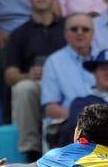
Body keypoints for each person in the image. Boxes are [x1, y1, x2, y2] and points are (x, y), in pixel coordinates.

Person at [4, 0, 65, 162]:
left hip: (64, 84)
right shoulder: (19, 34)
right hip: (37, 85)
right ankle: (31, 151)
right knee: (24, 88)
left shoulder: (69, 29)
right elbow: (9, 75)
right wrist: (28, 75)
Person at [54, 49, 108, 147]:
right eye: (103, 68)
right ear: (95, 72)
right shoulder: (80, 102)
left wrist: (98, 122)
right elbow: (83, 130)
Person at [41, 13, 97, 145]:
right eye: (74, 29)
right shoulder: (54, 62)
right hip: (68, 125)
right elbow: (51, 108)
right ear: (65, 33)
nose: (79, 33)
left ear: (93, 33)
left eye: (85, 29)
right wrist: (85, 121)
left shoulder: (104, 58)